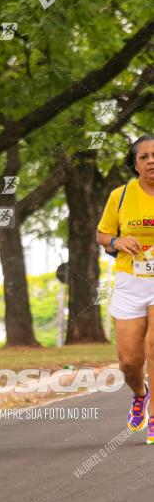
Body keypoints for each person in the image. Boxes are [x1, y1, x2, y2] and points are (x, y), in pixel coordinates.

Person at [96, 135, 154, 443]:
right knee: (129, 362)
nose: (151, 160)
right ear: (134, 165)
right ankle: (140, 393)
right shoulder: (120, 196)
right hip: (130, 282)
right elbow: (103, 234)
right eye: (143, 157)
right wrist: (117, 241)